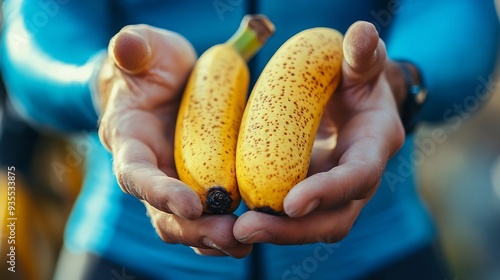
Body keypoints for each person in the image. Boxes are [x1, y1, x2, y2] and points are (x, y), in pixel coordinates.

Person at [1, 0, 498, 279]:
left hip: (379, 256)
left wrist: (400, 80)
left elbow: (460, 12)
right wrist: (100, 82)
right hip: (130, 256)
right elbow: (34, 28)